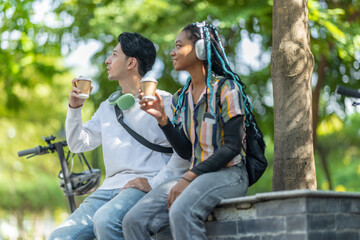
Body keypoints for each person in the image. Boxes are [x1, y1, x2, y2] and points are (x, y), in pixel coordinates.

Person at [49, 32, 189, 240]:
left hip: (142, 187)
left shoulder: (164, 102)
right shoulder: (108, 107)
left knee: (106, 221)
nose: (108, 60)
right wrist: (74, 109)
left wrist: (155, 182)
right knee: (59, 237)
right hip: (107, 190)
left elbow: (183, 153)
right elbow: (79, 143)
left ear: (131, 62)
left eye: (114, 55)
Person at [123, 22, 255, 240]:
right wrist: (163, 120)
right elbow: (186, 151)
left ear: (201, 49)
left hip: (230, 173)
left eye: (179, 46)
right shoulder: (181, 98)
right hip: (194, 177)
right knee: (133, 220)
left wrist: (188, 177)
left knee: (181, 210)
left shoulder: (227, 89)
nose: (172, 52)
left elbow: (231, 147)